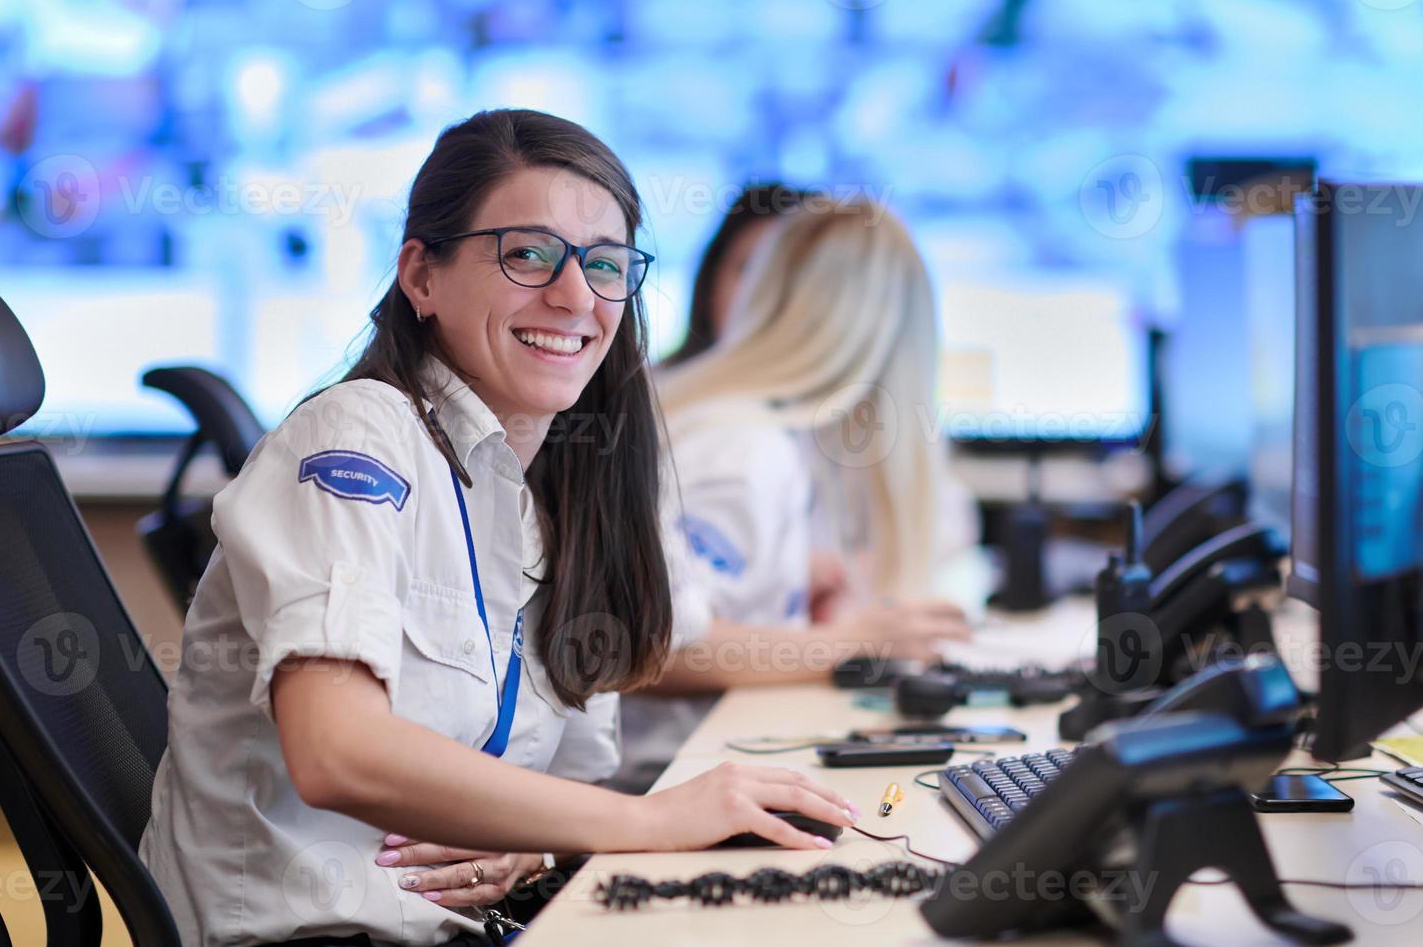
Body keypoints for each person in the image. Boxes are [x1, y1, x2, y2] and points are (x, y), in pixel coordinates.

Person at [138, 109, 856, 947]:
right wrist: (647, 820)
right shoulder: (360, 436)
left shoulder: (556, 488)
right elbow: (337, 751)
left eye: (605, 264)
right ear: (422, 276)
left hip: (473, 923)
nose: (574, 295)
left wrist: (537, 840)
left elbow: (563, 777)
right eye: (528, 254)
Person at [617, 197, 973, 785]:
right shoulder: (744, 446)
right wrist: (852, 641)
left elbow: (676, 603)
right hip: (663, 778)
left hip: (696, 770)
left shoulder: (730, 424)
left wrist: (786, 582)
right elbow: (657, 651)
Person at [662, 182, 812, 367]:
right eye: (751, 269)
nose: (766, 290)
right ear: (711, 281)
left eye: (790, 274)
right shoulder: (647, 389)